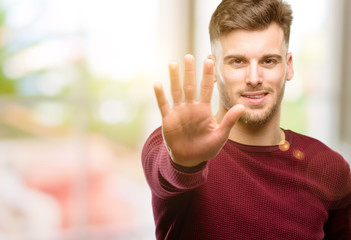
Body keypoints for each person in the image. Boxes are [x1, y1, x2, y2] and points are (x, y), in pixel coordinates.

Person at [141, 0, 351, 239]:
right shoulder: (172, 144)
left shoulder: (330, 169)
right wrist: (184, 164)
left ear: (289, 66)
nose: (254, 78)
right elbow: (167, 172)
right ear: (215, 67)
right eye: (238, 61)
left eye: (268, 60)